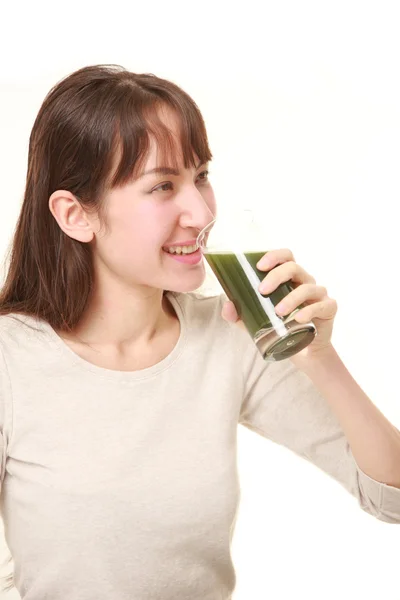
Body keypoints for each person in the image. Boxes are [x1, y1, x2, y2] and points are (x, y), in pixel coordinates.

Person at [0, 64, 399, 600]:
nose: (200, 211)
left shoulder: (230, 335)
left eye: (201, 176)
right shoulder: (11, 360)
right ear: (76, 215)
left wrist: (319, 356)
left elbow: (390, 497)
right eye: (163, 185)